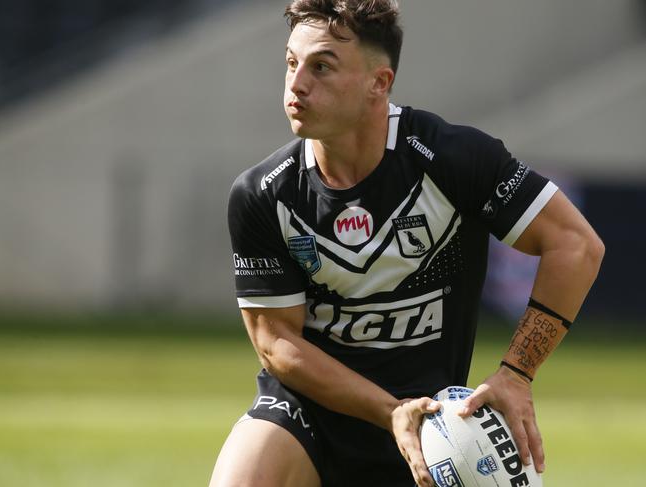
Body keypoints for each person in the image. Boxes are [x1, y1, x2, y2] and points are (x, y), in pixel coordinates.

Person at [210, 1, 604, 486]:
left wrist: (517, 373)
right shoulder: (263, 194)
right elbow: (277, 345)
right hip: (311, 416)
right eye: (291, 63)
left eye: (321, 67)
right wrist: (387, 409)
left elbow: (575, 244)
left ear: (380, 82)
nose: (296, 85)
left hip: (435, 424)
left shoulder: (453, 158)